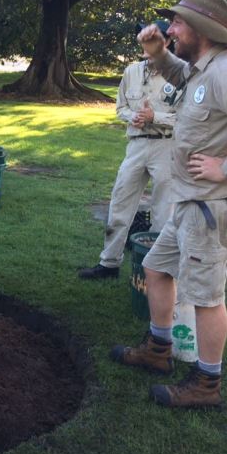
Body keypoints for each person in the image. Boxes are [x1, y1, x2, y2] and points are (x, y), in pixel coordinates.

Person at [111, 0, 227, 408]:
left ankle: (207, 384)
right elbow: (179, 76)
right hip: (191, 201)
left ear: (202, 29)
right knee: (156, 268)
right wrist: (156, 53)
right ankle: (159, 350)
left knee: (205, 297)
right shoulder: (202, 69)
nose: (171, 28)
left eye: (179, 23)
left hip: (213, 205)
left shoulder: (226, 72)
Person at [79, 21, 178, 279]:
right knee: (120, 201)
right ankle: (109, 263)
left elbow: (187, 119)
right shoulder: (132, 71)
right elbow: (120, 107)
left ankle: (154, 272)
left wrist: (155, 116)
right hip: (136, 145)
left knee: (162, 211)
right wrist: (132, 116)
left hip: (166, 146)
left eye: (154, 38)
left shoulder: (180, 75)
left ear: (167, 42)